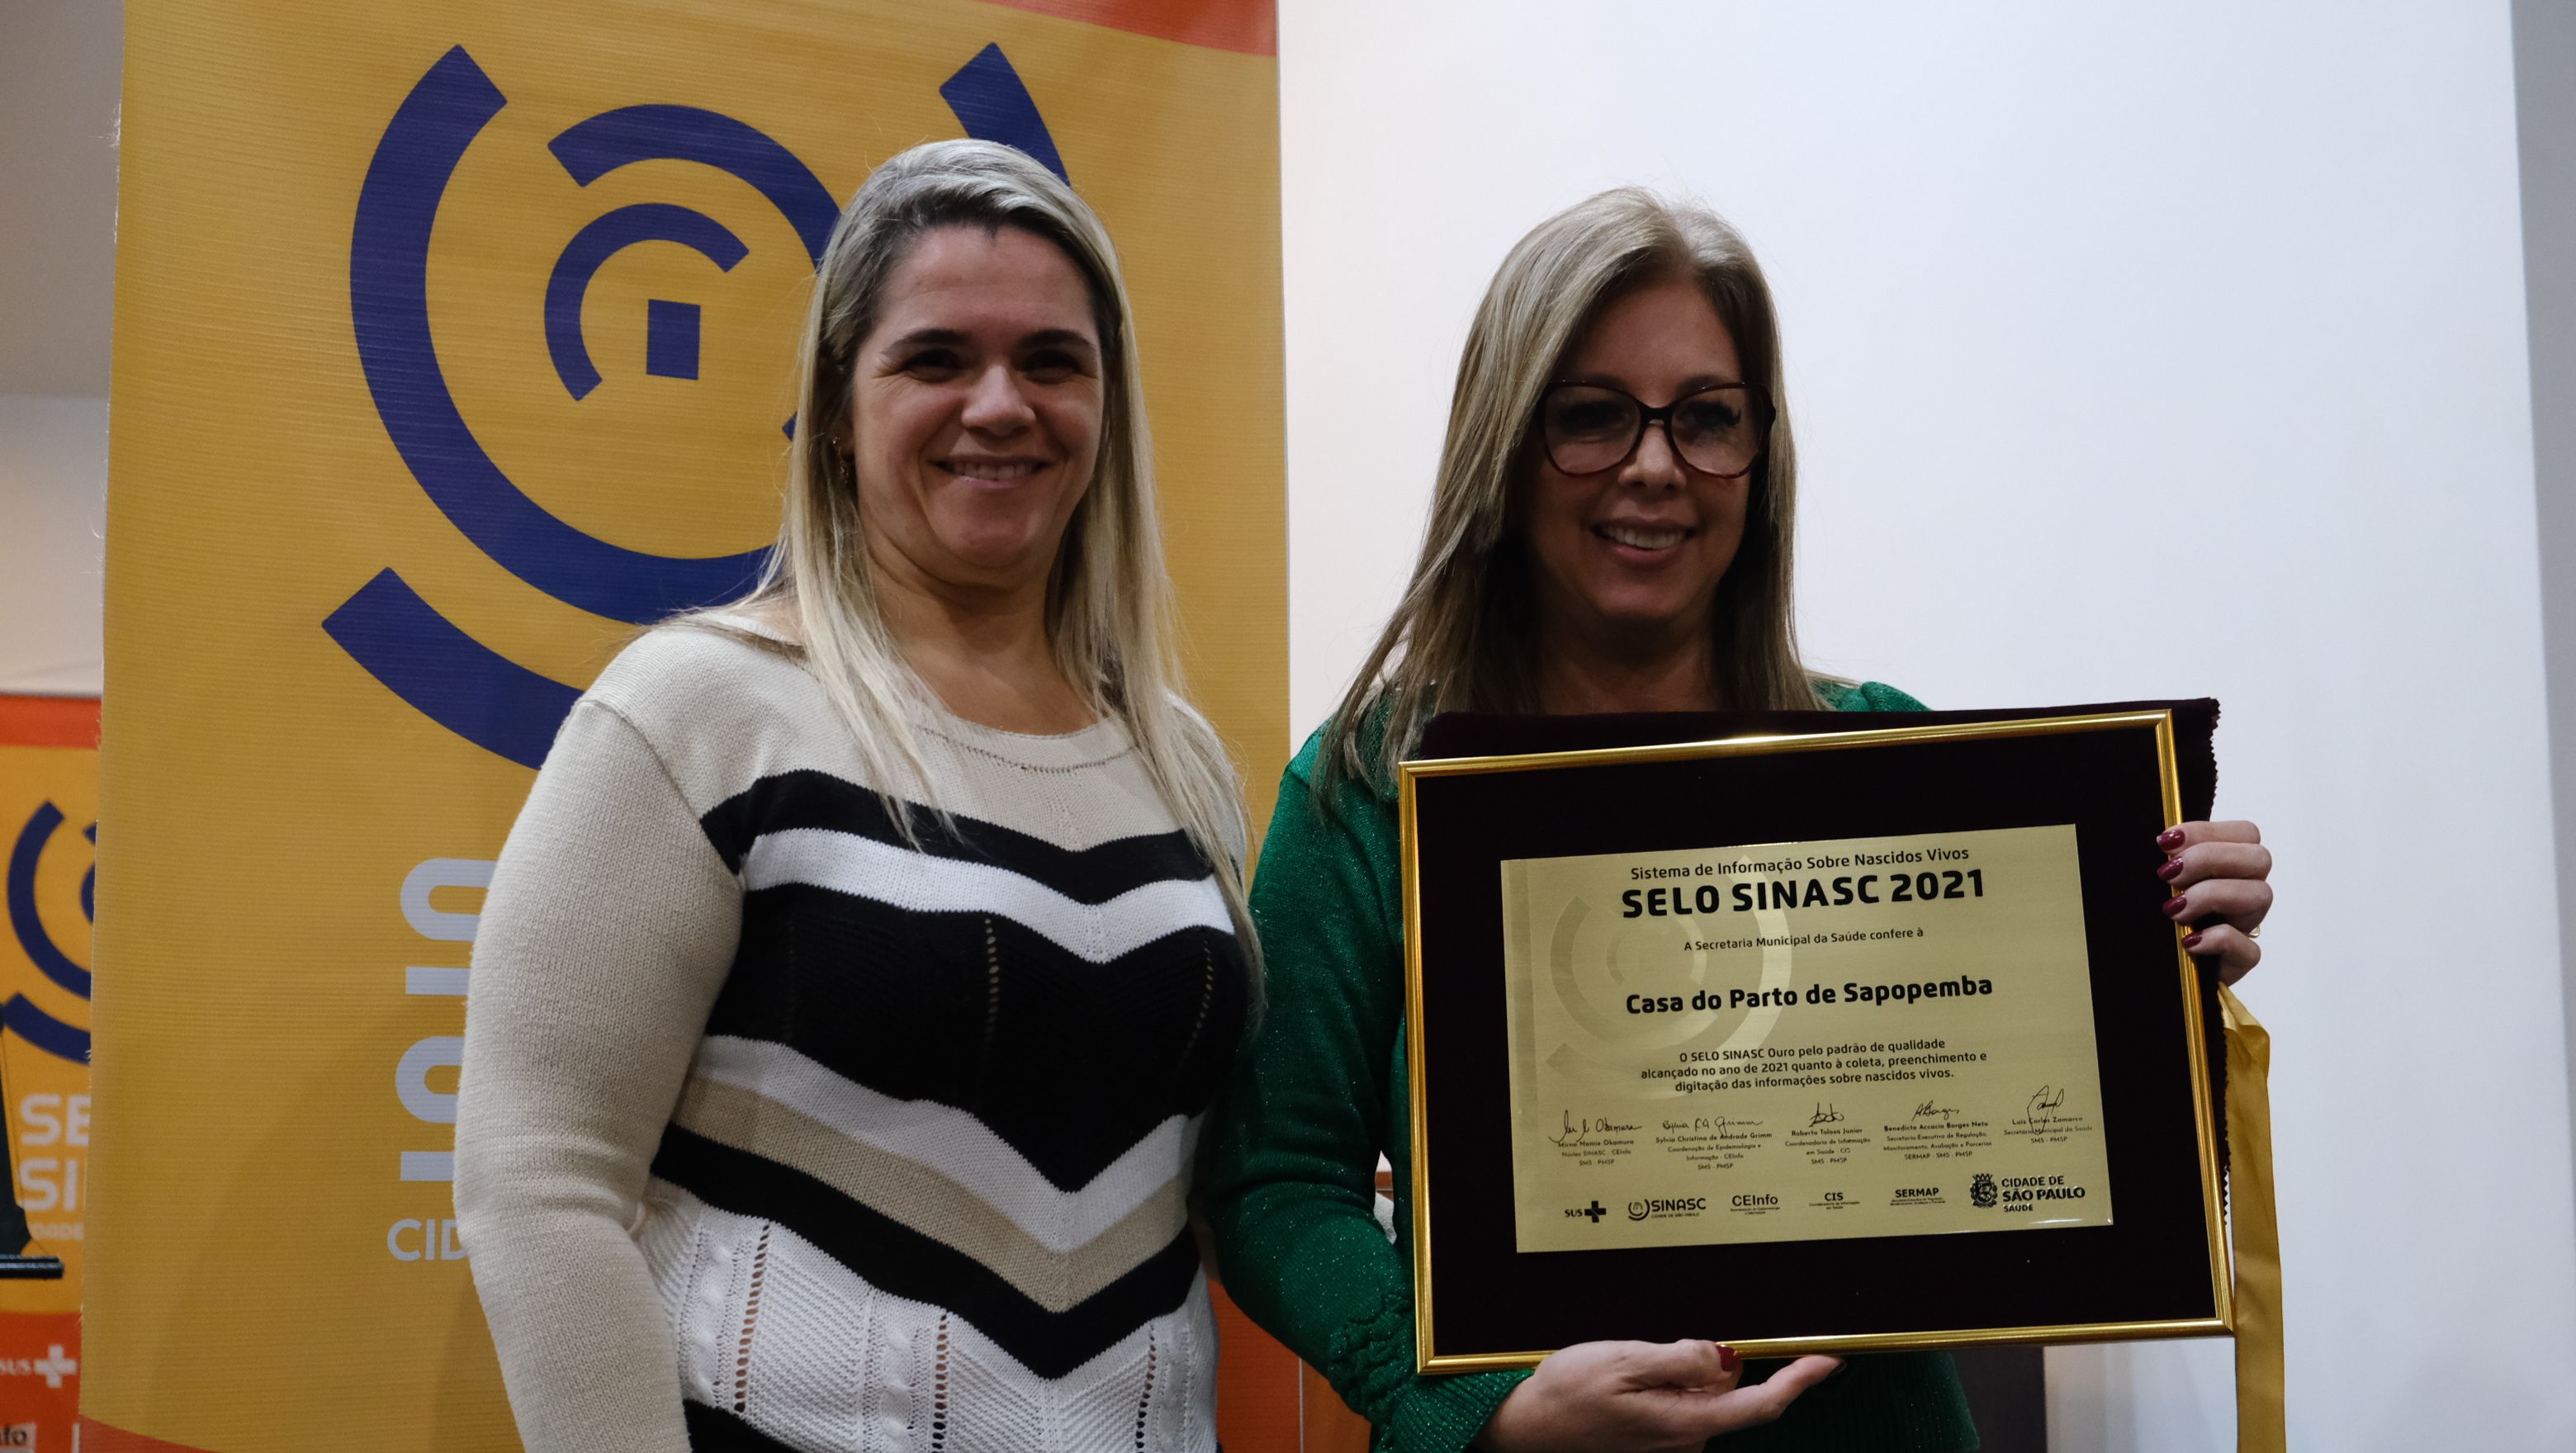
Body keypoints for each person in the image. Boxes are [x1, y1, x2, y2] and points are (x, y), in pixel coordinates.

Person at [1204, 187, 2274, 1452]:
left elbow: (2054, 1118)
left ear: (1759, 457)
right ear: (1505, 444)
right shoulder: (1372, 789)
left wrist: (2159, 958)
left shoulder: (1893, 755)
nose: (1655, 466)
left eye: (1707, 419)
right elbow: (1274, 1184)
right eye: (1592, 418)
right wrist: (1471, 1408)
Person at [453, 140, 1258, 1453]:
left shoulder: (1183, 765)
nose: (1001, 405)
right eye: (937, 358)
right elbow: (536, 1183)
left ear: (1109, 406)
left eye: (1053, 361)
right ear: (837, 405)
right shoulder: (698, 710)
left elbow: (1207, 1193)